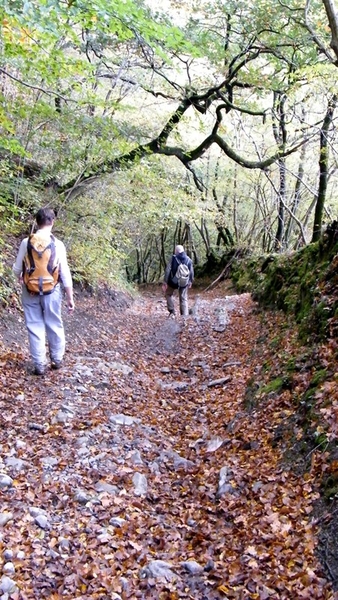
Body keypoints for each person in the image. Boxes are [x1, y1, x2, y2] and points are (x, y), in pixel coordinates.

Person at [13, 208, 75, 375]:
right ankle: (56, 359)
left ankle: (39, 364)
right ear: (52, 222)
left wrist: (22, 275)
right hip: (52, 291)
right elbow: (65, 273)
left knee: (34, 325)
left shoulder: (26, 242)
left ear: (36, 222)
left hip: (30, 290)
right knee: (54, 323)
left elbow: (16, 269)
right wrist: (70, 297)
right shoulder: (58, 244)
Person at [162, 244, 194, 318]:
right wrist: (190, 281)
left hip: (173, 281)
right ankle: (184, 316)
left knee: (168, 294)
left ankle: (172, 311)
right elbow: (191, 271)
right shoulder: (188, 260)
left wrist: (165, 282)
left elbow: (168, 270)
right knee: (183, 298)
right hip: (184, 282)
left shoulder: (173, 258)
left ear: (176, 251)